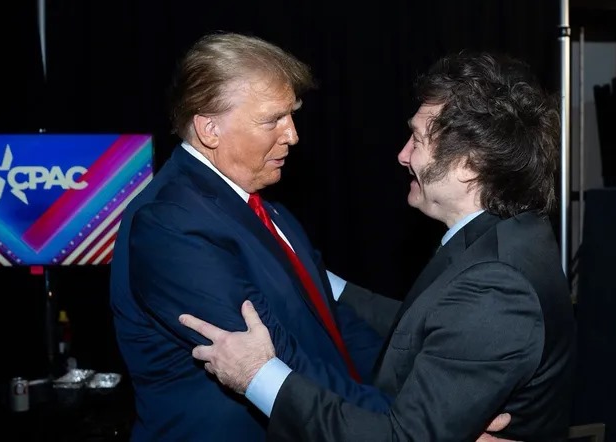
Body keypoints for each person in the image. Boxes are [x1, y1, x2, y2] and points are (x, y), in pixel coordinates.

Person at [110, 32, 513, 441]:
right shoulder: (170, 222)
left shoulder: (266, 209)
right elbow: (279, 360)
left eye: (291, 115)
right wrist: (423, 429)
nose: (292, 135)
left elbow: (334, 325)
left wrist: (423, 410)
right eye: (273, 120)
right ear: (210, 129)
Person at [180, 51, 577, 441]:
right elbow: (420, 325)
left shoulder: (496, 284)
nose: (403, 155)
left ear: (469, 165)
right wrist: (308, 276)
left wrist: (256, 375)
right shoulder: (506, 235)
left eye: (417, 140)